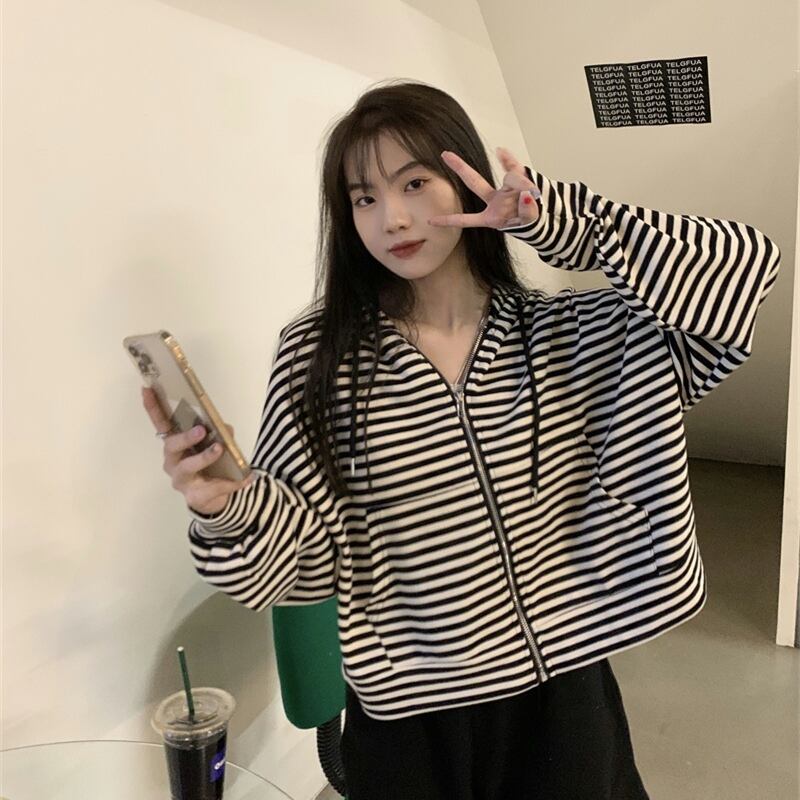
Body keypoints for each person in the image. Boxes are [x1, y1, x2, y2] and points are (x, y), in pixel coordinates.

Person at [141, 79, 781, 799]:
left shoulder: (574, 335)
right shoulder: (319, 356)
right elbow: (299, 561)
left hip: (562, 697)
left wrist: (558, 222)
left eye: (415, 183)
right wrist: (227, 505)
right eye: (364, 198)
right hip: (410, 715)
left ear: (466, 178)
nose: (393, 217)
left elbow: (745, 268)